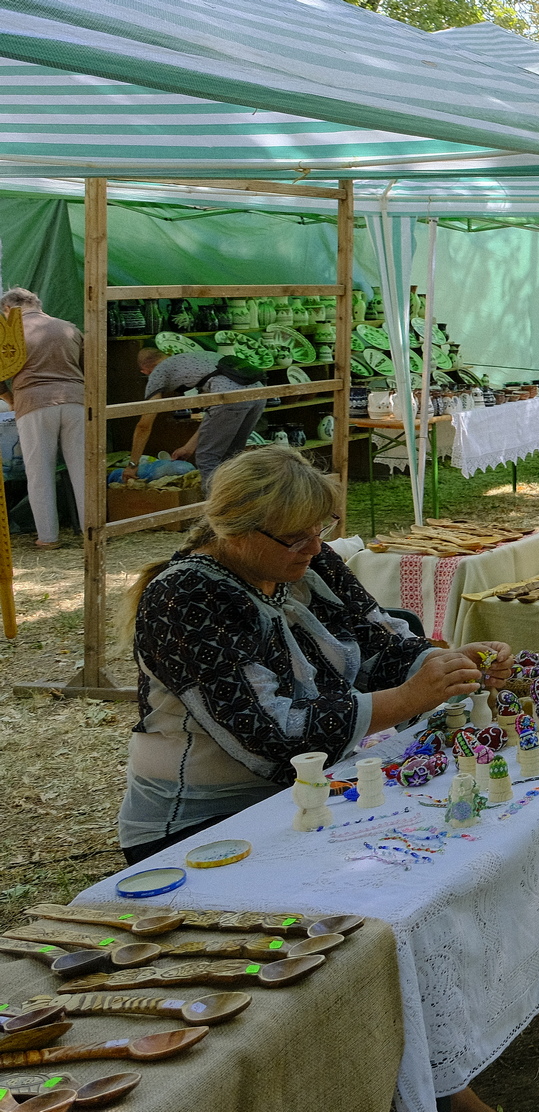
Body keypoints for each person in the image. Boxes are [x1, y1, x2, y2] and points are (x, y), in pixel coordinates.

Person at [118, 446, 510, 1112]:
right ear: (237, 531)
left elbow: (377, 640)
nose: (313, 545)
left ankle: (433, 1077)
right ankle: (423, 1088)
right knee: (366, 932)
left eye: (319, 529)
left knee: (411, 902)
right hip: (200, 828)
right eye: (295, 535)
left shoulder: (304, 562)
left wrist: (441, 663)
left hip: (301, 800)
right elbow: (268, 736)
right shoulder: (185, 597)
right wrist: (405, 702)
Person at [0, 288, 84, 548]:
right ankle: (91, 532)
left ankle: (48, 538)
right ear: (37, 304)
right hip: (76, 401)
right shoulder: (69, 328)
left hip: (34, 403)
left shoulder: (9, 333)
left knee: (40, 473)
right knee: (83, 471)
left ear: (7, 310)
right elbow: (89, 367)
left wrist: (12, 399)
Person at [129, 348, 269, 489]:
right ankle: (239, 502)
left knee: (207, 458)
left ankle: (214, 507)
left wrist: (133, 465)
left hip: (229, 397)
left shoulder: (157, 373)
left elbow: (144, 425)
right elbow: (212, 416)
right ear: (168, 354)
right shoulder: (192, 357)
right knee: (232, 455)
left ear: (145, 371)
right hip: (258, 394)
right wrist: (188, 448)